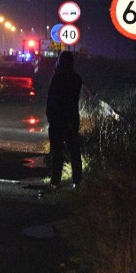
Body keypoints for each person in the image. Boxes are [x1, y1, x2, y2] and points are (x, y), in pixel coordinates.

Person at [46, 50, 83, 188]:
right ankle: (77, 180)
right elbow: (73, 99)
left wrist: (50, 116)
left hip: (57, 119)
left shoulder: (56, 78)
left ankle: (55, 181)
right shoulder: (77, 79)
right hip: (71, 119)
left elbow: (51, 99)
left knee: (57, 151)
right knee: (74, 151)